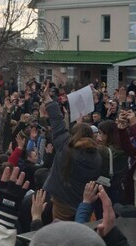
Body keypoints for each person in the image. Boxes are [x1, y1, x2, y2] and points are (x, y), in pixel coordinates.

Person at [41, 86, 101, 221]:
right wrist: (80, 126)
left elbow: (57, 121)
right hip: (83, 202)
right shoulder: (96, 156)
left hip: (61, 202)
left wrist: (48, 99)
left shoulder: (65, 145)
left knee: (62, 233)